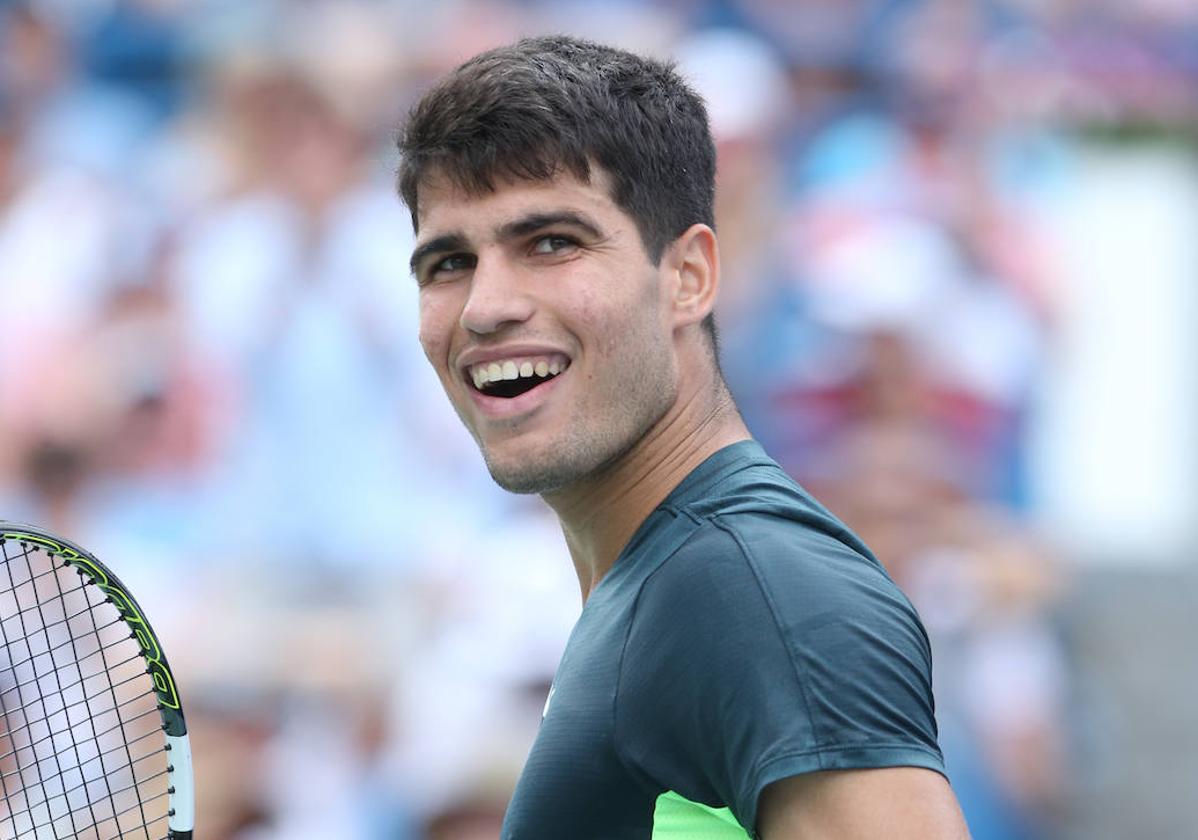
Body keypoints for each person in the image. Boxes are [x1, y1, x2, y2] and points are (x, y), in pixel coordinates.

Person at [396, 34, 970, 839]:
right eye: (447, 262)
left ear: (688, 276)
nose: (486, 306)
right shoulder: (681, 583)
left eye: (551, 243)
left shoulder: (752, 591)